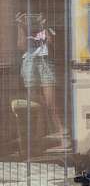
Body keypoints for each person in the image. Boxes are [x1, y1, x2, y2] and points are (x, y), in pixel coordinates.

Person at [16, 11, 66, 149]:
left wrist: (44, 24)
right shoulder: (23, 28)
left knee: (52, 103)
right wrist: (21, 25)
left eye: (33, 16)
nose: (31, 19)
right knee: (35, 104)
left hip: (45, 63)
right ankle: (39, 137)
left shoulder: (47, 27)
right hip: (30, 63)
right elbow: (21, 46)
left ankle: (63, 135)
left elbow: (51, 44)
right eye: (28, 17)